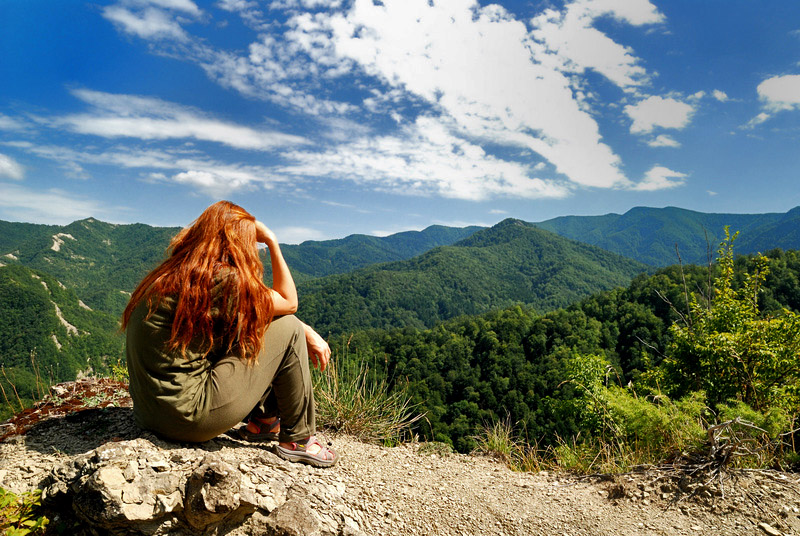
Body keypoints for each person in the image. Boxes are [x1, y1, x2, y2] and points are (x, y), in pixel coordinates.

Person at [121, 200, 338, 468]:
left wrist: (306, 329)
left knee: (253, 326)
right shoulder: (222, 279)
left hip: (149, 414)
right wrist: (271, 241)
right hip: (189, 418)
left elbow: (248, 314)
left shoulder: (178, 275)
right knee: (289, 327)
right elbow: (288, 302)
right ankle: (300, 440)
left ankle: (266, 421)